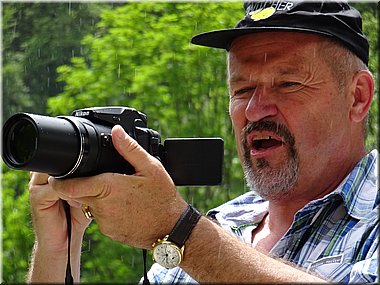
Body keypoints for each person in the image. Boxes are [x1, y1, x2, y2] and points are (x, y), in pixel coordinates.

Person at [27, 0, 378, 283]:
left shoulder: (191, 234)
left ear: (357, 97)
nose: (256, 110)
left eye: (288, 84)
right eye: (242, 90)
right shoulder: (223, 222)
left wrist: (178, 231)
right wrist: (57, 250)